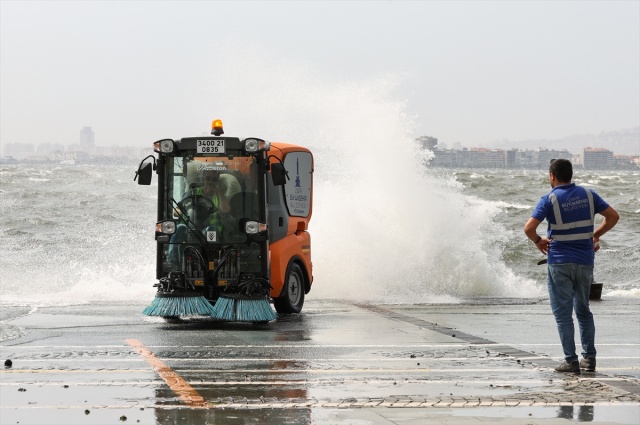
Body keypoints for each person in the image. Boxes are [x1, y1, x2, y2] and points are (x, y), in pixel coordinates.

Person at [524, 159, 619, 373]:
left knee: (563, 313)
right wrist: (596, 235)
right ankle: (589, 358)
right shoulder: (589, 194)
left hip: (559, 262)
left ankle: (570, 360)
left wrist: (538, 241)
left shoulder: (549, 199)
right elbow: (613, 217)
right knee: (583, 310)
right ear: (571, 174)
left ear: (552, 176)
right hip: (585, 261)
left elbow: (529, 228)